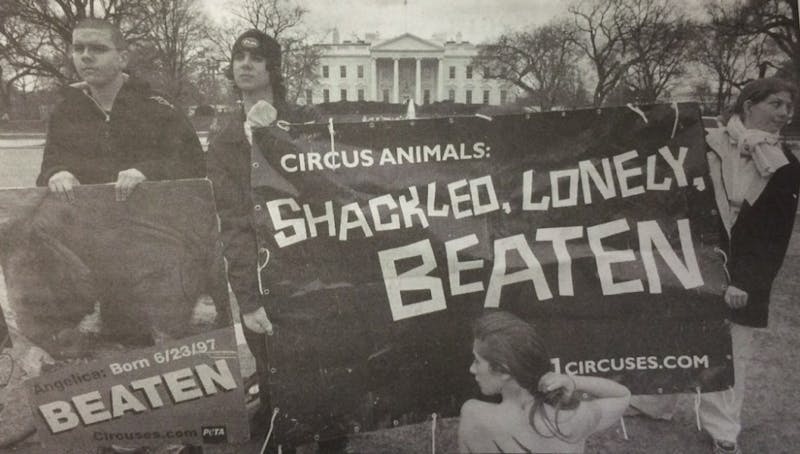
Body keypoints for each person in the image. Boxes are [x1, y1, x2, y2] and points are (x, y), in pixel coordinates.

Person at [630, 77, 800, 454]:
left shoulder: (787, 166)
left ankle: (723, 428)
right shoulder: (705, 144)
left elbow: (774, 237)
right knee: (675, 333)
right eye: (776, 104)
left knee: (732, 351)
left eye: (789, 107)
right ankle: (655, 402)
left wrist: (746, 282)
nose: (785, 113)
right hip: (694, 259)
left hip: (743, 274)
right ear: (749, 105)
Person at [206, 29, 341, 452]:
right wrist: (247, 298)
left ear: (273, 67)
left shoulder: (303, 119)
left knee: (325, 367)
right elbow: (232, 221)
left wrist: (275, 137)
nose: (245, 64)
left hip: (313, 267)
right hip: (264, 272)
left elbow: (331, 188)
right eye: (238, 56)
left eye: (256, 57)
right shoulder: (225, 135)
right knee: (270, 368)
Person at [37, 18, 204, 200]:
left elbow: (194, 164)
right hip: (88, 214)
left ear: (122, 59)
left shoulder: (160, 107)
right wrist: (56, 174)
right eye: (78, 48)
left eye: (98, 49)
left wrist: (147, 171)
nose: (85, 56)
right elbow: (49, 166)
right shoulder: (65, 112)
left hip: (149, 214)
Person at [458, 311, 630, 453]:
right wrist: (573, 381)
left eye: (477, 361)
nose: (472, 369)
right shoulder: (572, 418)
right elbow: (622, 396)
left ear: (503, 371)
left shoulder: (474, 415)